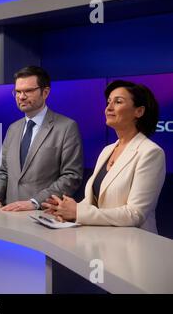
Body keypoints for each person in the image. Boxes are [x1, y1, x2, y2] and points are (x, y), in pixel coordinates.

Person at [42, 80, 165, 233]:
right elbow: (94, 203)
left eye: (118, 102)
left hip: (132, 246)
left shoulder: (151, 153)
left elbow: (135, 214)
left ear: (139, 111)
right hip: (101, 240)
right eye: (108, 102)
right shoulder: (107, 150)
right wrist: (68, 211)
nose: (109, 108)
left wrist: (78, 212)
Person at [0, 66, 83, 211]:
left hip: (44, 215)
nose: (21, 97)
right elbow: (3, 172)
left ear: (45, 92)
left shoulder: (66, 127)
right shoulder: (13, 129)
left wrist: (35, 202)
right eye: (18, 92)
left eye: (28, 91)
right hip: (9, 215)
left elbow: (71, 176)